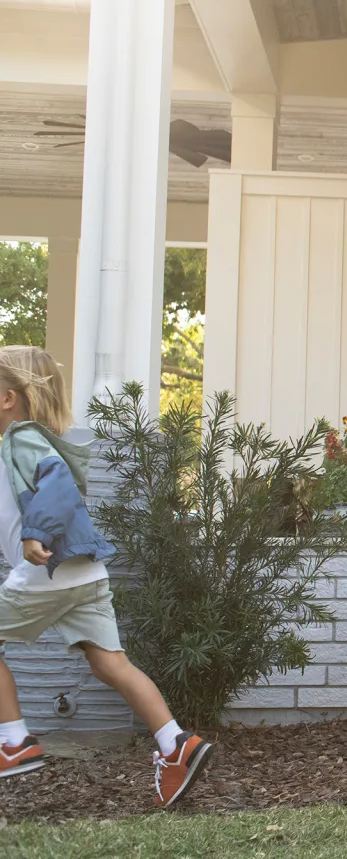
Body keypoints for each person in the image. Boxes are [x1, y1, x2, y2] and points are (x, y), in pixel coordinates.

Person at [0, 345, 212, 807]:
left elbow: (55, 482)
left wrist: (35, 535)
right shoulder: (22, 442)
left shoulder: (22, 439)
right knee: (109, 663)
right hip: (85, 575)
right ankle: (176, 744)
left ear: (8, 398)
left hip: (47, 573)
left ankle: (14, 742)